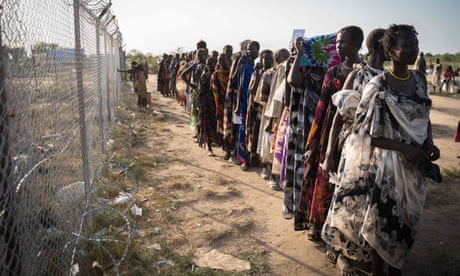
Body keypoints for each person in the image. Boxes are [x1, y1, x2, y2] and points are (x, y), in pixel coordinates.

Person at [343, 24, 439, 276]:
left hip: (414, 166)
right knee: (382, 222)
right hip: (386, 165)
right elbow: (363, 133)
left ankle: (395, 268)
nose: (413, 50)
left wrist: (429, 142)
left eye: (415, 45)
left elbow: (424, 116)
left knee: (406, 222)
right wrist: (403, 147)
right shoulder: (378, 85)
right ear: (391, 50)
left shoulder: (419, 80)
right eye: (406, 45)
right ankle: (378, 272)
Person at [320, 28, 387, 275]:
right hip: (352, 147)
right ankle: (339, 253)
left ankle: (362, 254)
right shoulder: (358, 75)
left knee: (367, 203)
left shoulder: (390, 79)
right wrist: (329, 153)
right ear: (380, 47)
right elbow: (338, 119)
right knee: (345, 199)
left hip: (379, 152)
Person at [304, 25, 364, 239]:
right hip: (331, 128)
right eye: (337, 42)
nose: (338, 46)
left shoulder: (366, 73)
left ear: (357, 44)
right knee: (325, 174)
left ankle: (341, 229)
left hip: (357, 133)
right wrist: (313, 140)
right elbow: (322, 107)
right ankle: (317, 223)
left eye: (343, 42)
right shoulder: (333, 72)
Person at [235, 40, 260, 171]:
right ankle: (243, 159)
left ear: (258, 50)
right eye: (248, 49)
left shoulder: (261, 65)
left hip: (258, 104)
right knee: (243, 130)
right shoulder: (244, 64)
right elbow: (239, 85)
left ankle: (253, 157)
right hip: (245, 102)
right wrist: (238, 104)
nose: (250, 51)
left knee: (255, 131)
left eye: (253, 49)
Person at [211, 53, 231, 152]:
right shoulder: (215, 75)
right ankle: (226, 148)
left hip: (232, 104)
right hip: (221, 104)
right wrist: (217, 105)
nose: (222, 62)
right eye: (220, 60)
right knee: (223, 127)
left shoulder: (232, 73)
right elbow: (215, 92)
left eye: (224, 60)